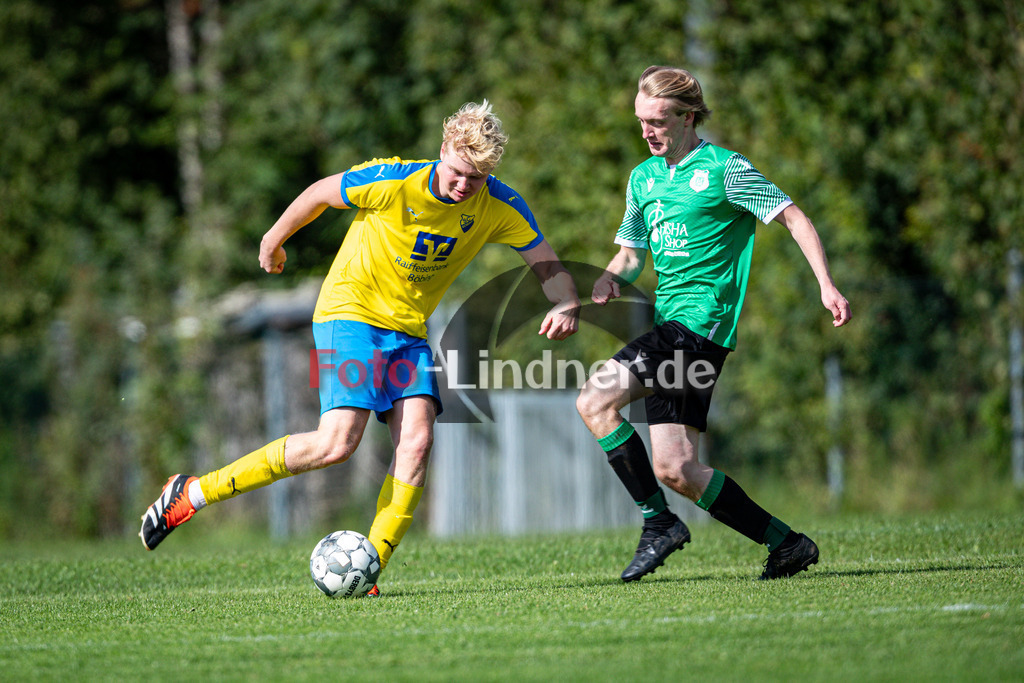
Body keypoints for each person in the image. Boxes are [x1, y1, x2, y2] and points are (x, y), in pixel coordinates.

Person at [140, 101, 581, 593]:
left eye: (475, 179)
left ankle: (369, 571)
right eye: (458, 172)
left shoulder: (499, 204)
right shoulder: (392, 180)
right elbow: (321, 194)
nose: (463, 186)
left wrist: (565, 302)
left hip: (408, 333)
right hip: (350, 315)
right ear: (442, 151)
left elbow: (548, 266)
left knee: (417, 442)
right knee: (337, 444)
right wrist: (274, 239)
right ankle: (192, 493)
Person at [576, 66, 851, 582]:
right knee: (675, 469)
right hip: (672, 324)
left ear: (688, 116)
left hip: (701, 325)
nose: (646, 131)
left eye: (657, 121)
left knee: (594, 400)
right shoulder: (643, 177)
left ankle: (658, 524)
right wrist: (609, 279)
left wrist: (825, 284)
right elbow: (630, 256)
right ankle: (787, 544)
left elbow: (794, 216)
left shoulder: (725, 169)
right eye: (640, 121)